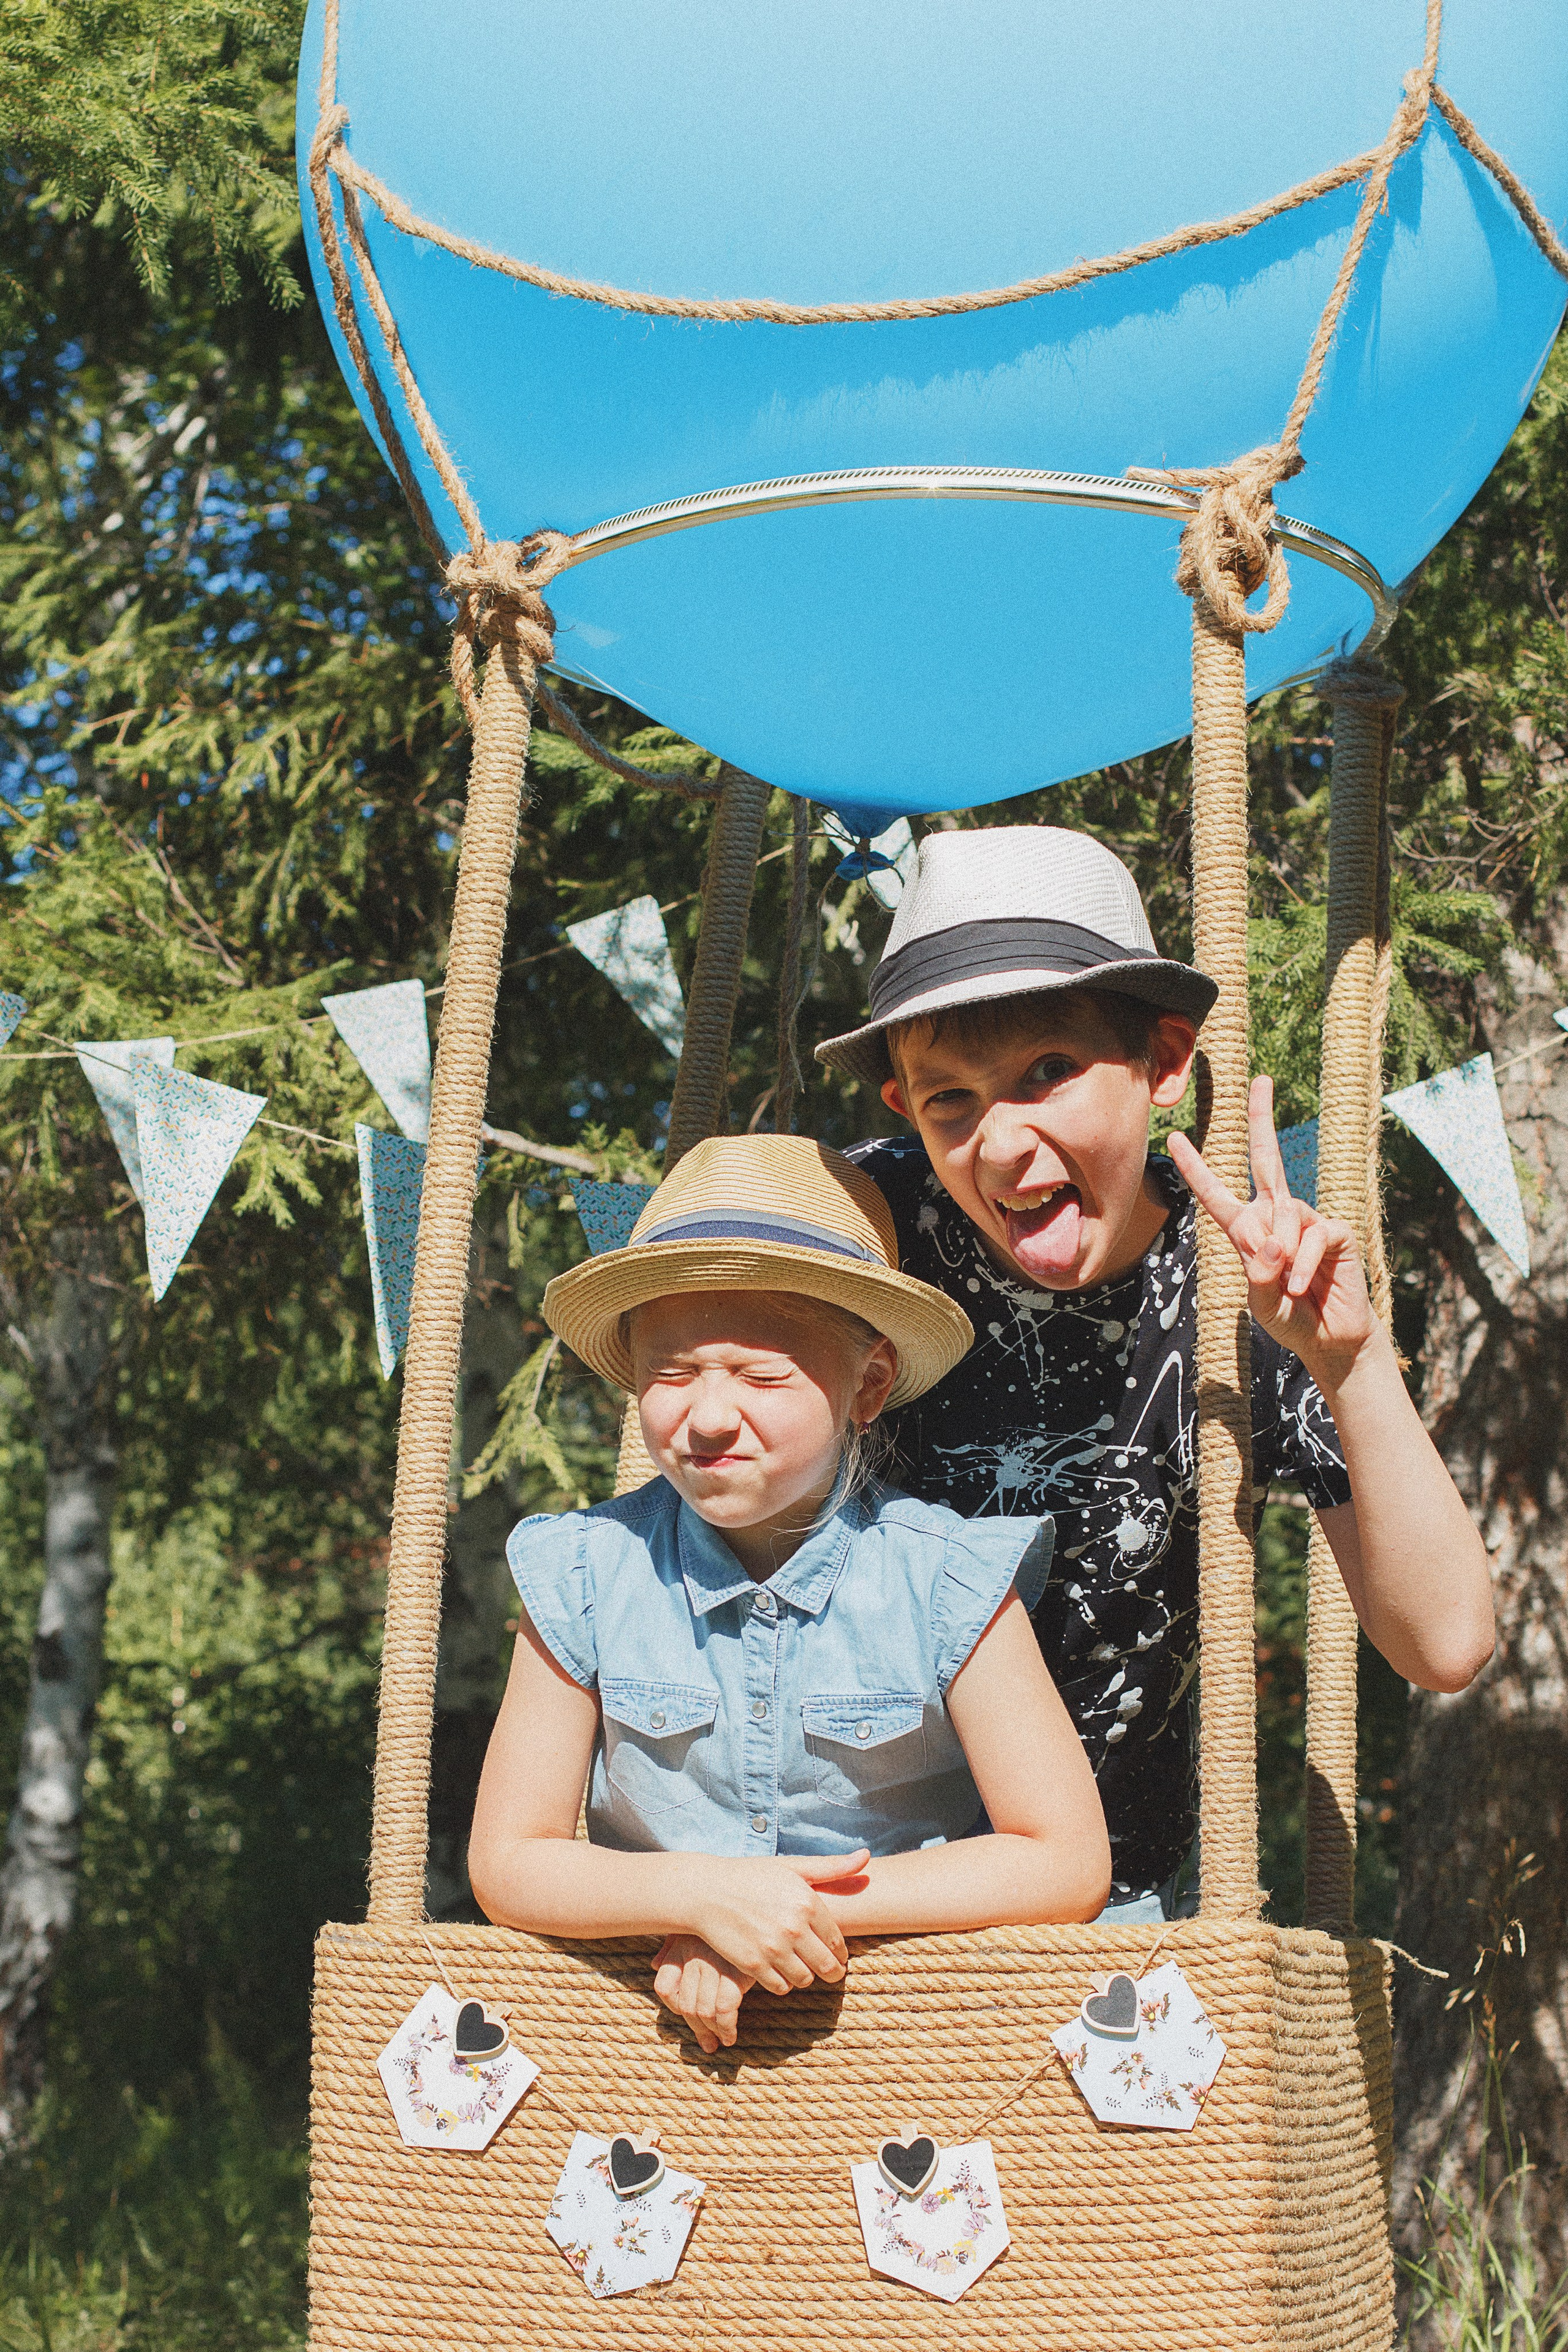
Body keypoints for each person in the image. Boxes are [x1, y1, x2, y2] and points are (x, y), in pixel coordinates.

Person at [815, 824, 1496, 1920]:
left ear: (1165, 1063)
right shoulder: (863, 1220)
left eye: (1048, 1073)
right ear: (903, 1107)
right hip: (852, 1867)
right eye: (951, 1098)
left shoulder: (1244, 1289)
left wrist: (1347, 1363)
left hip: (1114, 1906)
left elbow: (1448, 1641)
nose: (999, 1146)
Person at [469, 1134, 1111, 2052]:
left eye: (763, 1376)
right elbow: (508, 1860)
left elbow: (1066, 1860)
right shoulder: (582, 1571)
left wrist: (789, 1910)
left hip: (906, 2045)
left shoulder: (948, 1578)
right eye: (671, 1374)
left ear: (870, 1383)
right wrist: (698, 1896)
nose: (709, 1417)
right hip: (649, 2055)